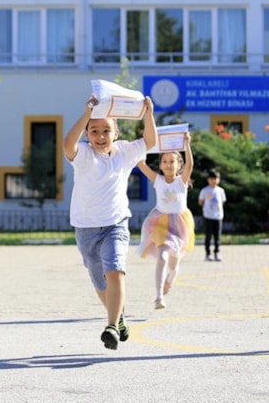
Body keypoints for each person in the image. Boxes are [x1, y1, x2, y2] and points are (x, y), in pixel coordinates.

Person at [63, 95, 158, 350]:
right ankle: (120, 317)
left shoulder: (125, 152)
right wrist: (86, 113)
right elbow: (67, 144)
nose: (101, 135)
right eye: (94, 131)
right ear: (88, 134)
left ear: (116, 132)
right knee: (99, 282)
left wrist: (148, 113)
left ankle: (112, 326)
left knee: (115, 270)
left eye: (106, 130)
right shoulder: (82, 153)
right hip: (85, 229)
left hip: (115, 224)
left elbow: (150, 141)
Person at [136, 132, 195, 309]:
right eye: (165, 161)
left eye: (172, 162)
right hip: (160, 223)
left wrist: (187, 144)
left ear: (179, 165)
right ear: (160, 165)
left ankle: (170, 279)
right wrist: (143, 145)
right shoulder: (158, 180)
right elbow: (141, 164)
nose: (168, 165)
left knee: (173, 263)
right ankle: (159, 296)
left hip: (179, 225)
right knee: (162, 255)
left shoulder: (181, 181)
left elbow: (190, 164)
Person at [198, 169, 226, 261]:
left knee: (217, 236)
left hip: (218, 216)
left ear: (218, 179)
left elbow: (222, 201)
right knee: (208, 236)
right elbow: (201, 202)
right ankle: (207, 254)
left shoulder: (221, 191)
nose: (214, 180)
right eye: (212, 178)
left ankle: (217, 253)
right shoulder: (204, 190)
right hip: (208, 216)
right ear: (208, 179)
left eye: (216, 178)